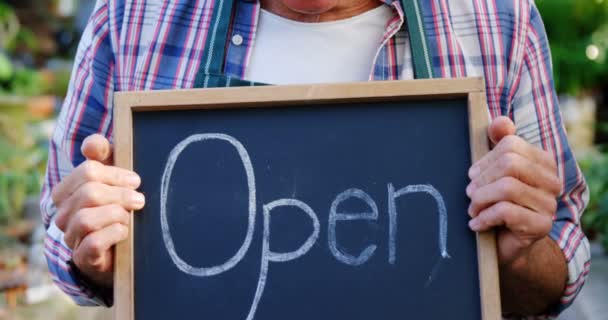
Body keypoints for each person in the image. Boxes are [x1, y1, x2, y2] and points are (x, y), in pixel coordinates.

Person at [41, 0, 590, 318]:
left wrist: (521, 252)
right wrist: (100, 255)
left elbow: (557, 262)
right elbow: (61, 229)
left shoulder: (500, 19)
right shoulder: (135, 15)